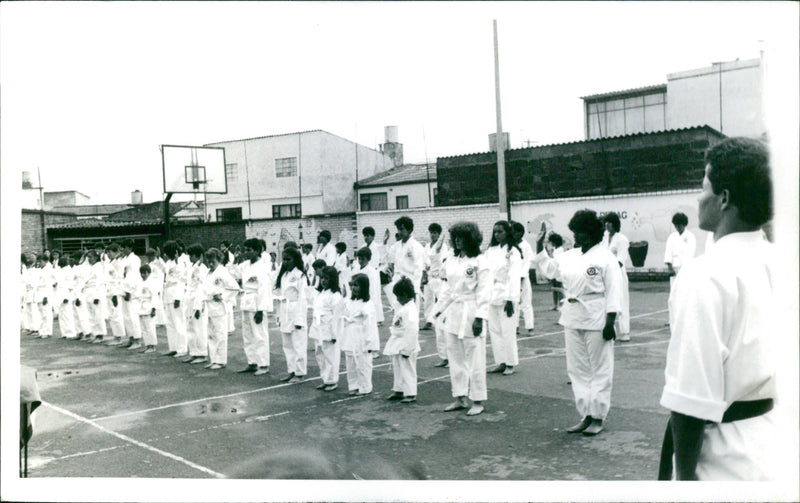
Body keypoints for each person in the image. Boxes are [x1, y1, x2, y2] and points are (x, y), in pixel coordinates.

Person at [658, 137, 780, 480]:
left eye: (703, 185)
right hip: (772, 439)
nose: (699, 196)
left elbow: (689, 401)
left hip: (722, 458)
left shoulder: (705, 274)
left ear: (724, 198)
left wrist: (683, 477)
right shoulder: (779, 261)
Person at [533, 209, 623, 436]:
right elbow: (550, 269)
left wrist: (611, 321)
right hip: (573, 314)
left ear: (592, 233)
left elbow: (614, 291)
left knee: (599, 368)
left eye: (580, 232)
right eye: (575, 232)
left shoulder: (606, 258)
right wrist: (539, 246)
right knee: (577, 368)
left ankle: (598, 416)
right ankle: (586, 414)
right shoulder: (570, 255)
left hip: (597, 315)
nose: (576, 236)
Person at [432, 222, 490, 416]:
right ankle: (459, 397)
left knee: (474, 358)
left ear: (471, 239)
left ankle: (478, 400)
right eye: (455, 237)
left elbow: (484, 292)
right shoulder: (452, 260)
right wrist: (438, 310)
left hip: (472, 311)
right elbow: (448, 290)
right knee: (455, 358)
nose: (457, 240)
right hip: (454, 313)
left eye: (461, 237)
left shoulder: (480, 261)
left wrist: (480, 317)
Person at [483, 221, 523, 376]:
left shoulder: (513, 251)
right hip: (492, 293)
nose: (497, 234)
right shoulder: (491, 251)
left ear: (507, 232)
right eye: (495, 232)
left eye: (500, 231)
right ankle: (501, 361)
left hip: (507, 293)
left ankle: (511, 363)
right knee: (495, 331)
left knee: (507, 331)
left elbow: (514, 276)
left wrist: (510, 299)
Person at [235, 238, 273, 376]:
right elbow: (234, 274)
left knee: (259, 334)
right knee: (248, 334)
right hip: (246, 301)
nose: (246, 253)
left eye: (249, 250)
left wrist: (260, 309)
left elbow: (264, 289)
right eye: (245, 250)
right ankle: (252, 362)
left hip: (257, 302)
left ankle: (263, 364)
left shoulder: (263, 267)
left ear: (257, 251)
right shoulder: (245, 265)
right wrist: (235, 260)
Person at [340, 273, 380, 395]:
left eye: (356, 285)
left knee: (363, 363)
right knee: (351, 362)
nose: (353, 288)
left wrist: (370, 343)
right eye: (352, 285)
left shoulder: (368, 304)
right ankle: (353, 385)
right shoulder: (350, 301)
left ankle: (365, 387)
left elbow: (370, 325)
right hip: (350, 334)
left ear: (363, 287)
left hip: (362, 336)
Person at [383, 277, 421, 404]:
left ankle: (410, 393)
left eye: (398, 296)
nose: (397, 299)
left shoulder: (410, 310)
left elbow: (412, 331)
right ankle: (398, 389)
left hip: (407, 344)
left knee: (408, 368)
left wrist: (407, 349)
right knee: (398, 368)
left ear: (405, 295)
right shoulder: (403, 307)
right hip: (398, 342)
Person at [275, 248, 309, 383]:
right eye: (284, 259)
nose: (285, 262)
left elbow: (303, 298)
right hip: (285, 310)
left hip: (296, 311)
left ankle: (300, 373)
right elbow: (280, 295)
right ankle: (292, 370)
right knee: (287, 344)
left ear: (295, 260)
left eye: (288, 259)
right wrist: (278, 315)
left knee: (298, 343)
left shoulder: (300, 276)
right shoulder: (283, 276)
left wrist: (300, 319)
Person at [202, 248, 240, 370]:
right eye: (208, 261)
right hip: (209, 306)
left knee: (220, 334)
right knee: (211, 335)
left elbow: (235, 288)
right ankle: (214, 359)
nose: (210, 264)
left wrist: (222, 296)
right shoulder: (208, 273)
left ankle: (221, 360)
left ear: (219, 260)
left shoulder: (223, 272)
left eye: (213, 261)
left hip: (219, 307)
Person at [308, 266, 344, 391]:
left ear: (333, 280)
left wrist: (334, 335)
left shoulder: (336, 296)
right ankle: (325, 379)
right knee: (320, 355)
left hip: (329, 331)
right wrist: (316, 329)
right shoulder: (320, 294)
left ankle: (332, 381)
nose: (323, 281)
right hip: (319, 328)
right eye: (322, 278)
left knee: (331, 356)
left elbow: (337, 317)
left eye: (326, 278)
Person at [385, 217, 426, 311]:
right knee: (399, 313)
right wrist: (390, 272)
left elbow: (418, 269)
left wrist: (415, 290)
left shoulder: (416, 246)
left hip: (410, 285)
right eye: (398, 229)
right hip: (398, 283)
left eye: (402, 229)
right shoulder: (395, 247)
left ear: (410, 230)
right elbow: (389, 262)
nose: (399, 232)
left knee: (411, 314)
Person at [602, 212, 631, 341]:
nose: (607, 225)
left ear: (615, 224)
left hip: (618, 274)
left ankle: (625, 332)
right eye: (606, 222)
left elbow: (620, 260)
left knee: (622, 302)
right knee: (607, 302)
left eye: (610, 222)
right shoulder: (604, 238)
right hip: (605, 275)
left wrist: (609, 269)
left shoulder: (622, 239)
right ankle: (609, 330)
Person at [161, 241, 188, 357]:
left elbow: (181, 281)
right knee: (170, 323)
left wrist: (178, 297)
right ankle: (173, 347)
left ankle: (182, 349)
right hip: (167, 294)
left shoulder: (181, 263)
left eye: (167, 252)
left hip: (176, 294)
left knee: (179, 323)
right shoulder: (168, 263)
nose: (166, 255)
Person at [184, 244, 209, 364]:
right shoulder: (192, 267)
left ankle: (202, 354)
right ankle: (194, 352)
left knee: (199, 328)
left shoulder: (202, 268)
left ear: (198, 256)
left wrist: (198, 306)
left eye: (192, 255)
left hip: (197, 300)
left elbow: (201, 287)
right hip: (189, 299)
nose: (189, 257)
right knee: (190, 328)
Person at [511, 221, 535, 335]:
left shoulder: (526, 246)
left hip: (523, 278)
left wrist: (521, 276)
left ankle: (530, 327)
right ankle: (515, 327)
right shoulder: (510, 245)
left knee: (526, 303)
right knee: (514, 302)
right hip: (512, 278)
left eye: (514, 232)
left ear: (520, 233)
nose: (512, 234)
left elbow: (527, 263)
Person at [663, 212, 696, 291]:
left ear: (684, 224)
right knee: (675, 290)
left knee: (686, 290)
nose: (677, 227)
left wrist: (686, 267)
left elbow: (690, 253)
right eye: (676, 225)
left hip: (686, 268)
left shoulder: (691, 236)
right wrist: (670, 267)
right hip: (674, 268)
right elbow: (668, 252)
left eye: (679, 225)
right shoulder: (672, 237)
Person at [103, 244, 127, 346]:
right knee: (111, 315)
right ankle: (115, 335)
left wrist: (115, 294)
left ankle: (119, 337)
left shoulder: (118, 263)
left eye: (110, 252)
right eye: (107, 252)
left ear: (116, 251)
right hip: (109, 290)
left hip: (115, 292)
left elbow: (119, 279)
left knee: (116, 315)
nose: (108, 254)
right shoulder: (110, 263)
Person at [82, 250, 107, 343]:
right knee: (91, 315)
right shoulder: (89, 267)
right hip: (88, 291)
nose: (89, 259)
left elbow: (100, 282)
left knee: (97, 314)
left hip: (95, 291)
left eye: (91, 257)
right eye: (88, 257)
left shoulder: (99, 267)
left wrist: (97, 296)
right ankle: (95, 334)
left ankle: (100, 335)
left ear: (96, 257)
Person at [353, 247, 383, 325]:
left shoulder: (372, 271)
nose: (360, 261)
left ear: (368, 259)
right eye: (359, 259)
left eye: (362, 259)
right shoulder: (356, 268)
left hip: (367, 294)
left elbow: (373, 289)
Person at [138, 264, 159, 354]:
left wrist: (154, 308)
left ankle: (152, 345)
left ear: (149, 273)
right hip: (142, 306)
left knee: (150, 327)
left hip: (149, 306)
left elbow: (155, 296)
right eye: (141, 273)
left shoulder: (152, 282)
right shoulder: (142, 282)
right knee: (144, 328)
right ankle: (147, 345)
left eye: (145, 273)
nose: (143, 275)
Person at [546, 233, 566, 310]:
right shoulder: (555, 250)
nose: (551, 243)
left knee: (559, 289)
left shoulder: (560, 250)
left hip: (559, 272)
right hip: (554, 272)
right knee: (554, 288)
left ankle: (561, 305)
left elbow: (558, 261)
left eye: (552, 242)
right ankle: (555, 305)